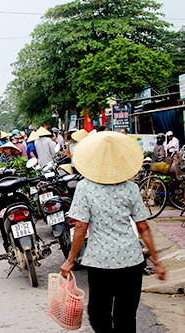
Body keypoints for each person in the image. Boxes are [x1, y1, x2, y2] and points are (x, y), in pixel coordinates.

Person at [60, 131, 165, 333]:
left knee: (99, 315)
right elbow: (143, 227)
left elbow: (81, 227)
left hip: (100, 263)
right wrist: (157, 261)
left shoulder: (84, 188)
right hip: (131, 261)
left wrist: (70, 259)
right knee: (126, 316)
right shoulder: (131, 188)